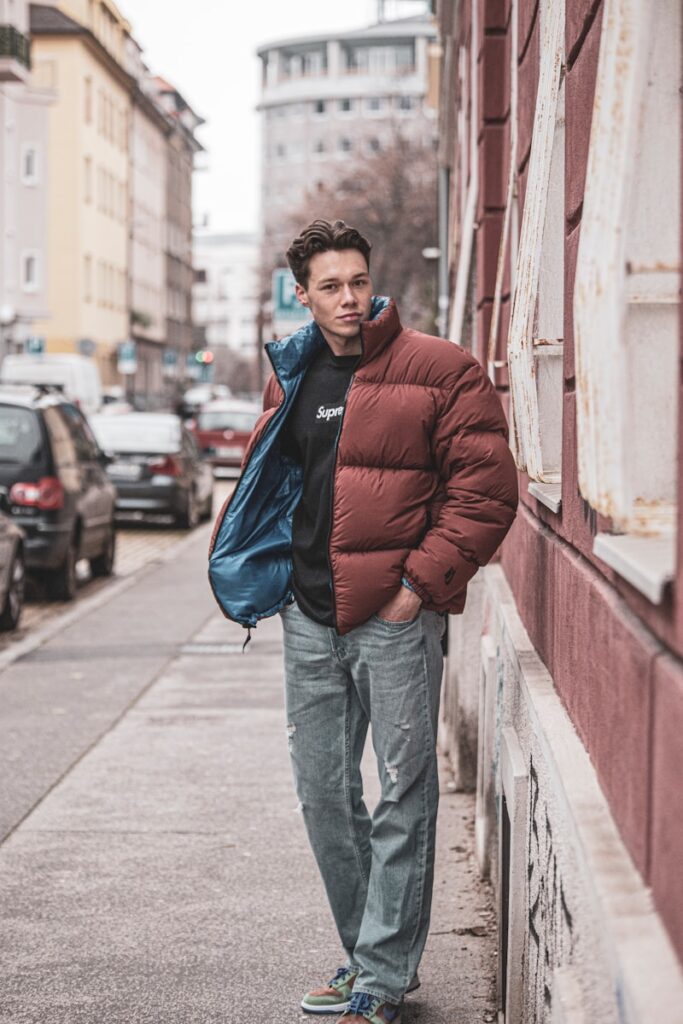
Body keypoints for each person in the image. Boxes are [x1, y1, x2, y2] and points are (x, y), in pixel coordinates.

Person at [208, 219, 518, 1023]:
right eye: (330, 287)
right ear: (302, 295)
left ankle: (380, 977)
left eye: (357, 282)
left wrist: (417, 585)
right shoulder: (294, 373)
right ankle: (367, 957)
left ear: (371, 281)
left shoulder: (439, 369)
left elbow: (485, 493)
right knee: (322, 793)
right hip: (308, 617)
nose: (349, 299)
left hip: (393, 618)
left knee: (401, 795)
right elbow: (283, 490)